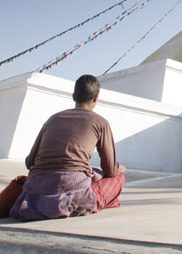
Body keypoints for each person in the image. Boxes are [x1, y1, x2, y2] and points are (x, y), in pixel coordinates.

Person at [10, 74, 125, 221]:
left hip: (35, 190)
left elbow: (30, 162)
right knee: (118, 178)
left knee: (94, 173)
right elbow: (110, 169)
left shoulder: (53, 119)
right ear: (96, 98)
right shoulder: (100, 123)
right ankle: (91, 203)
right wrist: (121, 169)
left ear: (73, 96)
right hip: (73, 190)